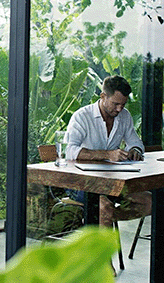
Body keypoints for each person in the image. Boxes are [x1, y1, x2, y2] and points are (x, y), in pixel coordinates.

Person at [64, 75, 151, 228]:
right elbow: (70, 151)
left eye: (123, 105)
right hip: (81, 182)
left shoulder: (124, 116)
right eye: (115, 104)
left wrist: (135, 150)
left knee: (148, 202)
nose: (119, 109)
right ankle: (102, 243)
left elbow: (136, 143)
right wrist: (107, 154)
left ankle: (107, 218)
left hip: (111, 181)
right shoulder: (82, 117)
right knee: (104, 207)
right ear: (103, 96)